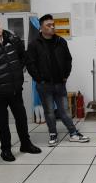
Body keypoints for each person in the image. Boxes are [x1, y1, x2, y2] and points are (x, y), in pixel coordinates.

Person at [0, 16, 41, 161]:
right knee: (2, 122)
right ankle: (5, 150)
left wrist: (18, 72)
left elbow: (23, 57)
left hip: (15, 88)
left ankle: (25, 144)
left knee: (21, 118)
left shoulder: (13, 40)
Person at [26, 14, 89, 147]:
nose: (52, 27)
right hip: (44, 85)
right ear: (41, 27)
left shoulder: (61, 41)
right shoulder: (34, 44)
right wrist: (39, 79)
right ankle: (53, 134)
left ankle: (73, 133)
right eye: (48, 25)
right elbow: (30, 64)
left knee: (64, 111)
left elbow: (68, 59)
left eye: (53, 24)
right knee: (49, 112)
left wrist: (65, 75)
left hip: (60, 83)